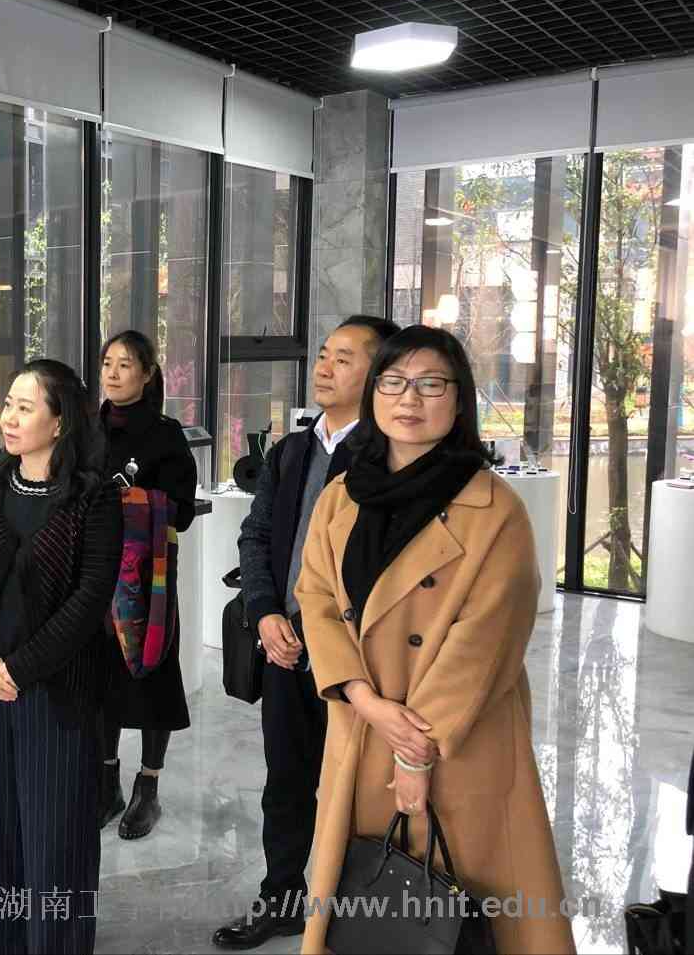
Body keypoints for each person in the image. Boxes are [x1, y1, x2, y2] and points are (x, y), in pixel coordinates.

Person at [296, 325, 575, 954]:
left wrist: (414, 753)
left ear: (459, 400)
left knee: (463, 917)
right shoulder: (343, 495)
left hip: (457, 745)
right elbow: (316, 598)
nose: (409, 399)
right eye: (394, 382)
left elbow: (486, 644)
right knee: (367, 913)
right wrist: (364, 699)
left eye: (430, 384)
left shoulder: (494, 508)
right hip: (362, 729)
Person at [212, 314, 397, 950]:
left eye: (344, 358)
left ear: (378, 374)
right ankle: (283, 901)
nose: (324, 367)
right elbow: (257, 535)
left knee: (358, 792)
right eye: (323, 355)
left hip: (357, 659)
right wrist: (265, 613)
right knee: (286, 784)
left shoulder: (386, 457)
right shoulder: (291, 451)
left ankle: (351, 916)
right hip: (286, 650)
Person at [0, 358, 122, 955]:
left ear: (60, 422)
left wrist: (19, 669)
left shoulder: (93, 497)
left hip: (60, 692)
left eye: (25, 407)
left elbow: (89, 600)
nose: (9, 416)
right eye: (8, 403)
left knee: (59, 840)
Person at [95, 330, 198, 839]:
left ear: (147, 374)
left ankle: (148, 786)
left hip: (146, 578)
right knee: (101, 676)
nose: (113, 373)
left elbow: (183, 511)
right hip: (94, 573)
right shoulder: (86, 431)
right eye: (107, 364)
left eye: (125, 364)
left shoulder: (165, 435)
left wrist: (135, 500)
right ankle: (107, 782)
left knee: (152, 672)